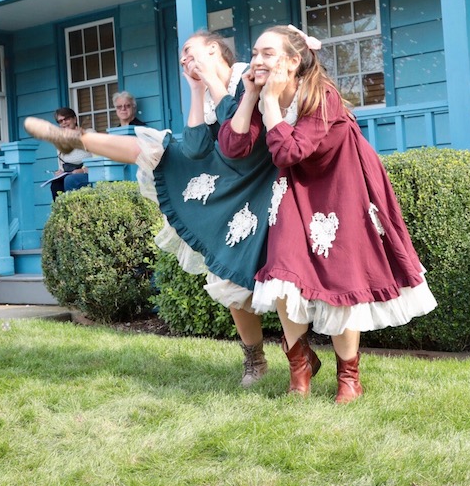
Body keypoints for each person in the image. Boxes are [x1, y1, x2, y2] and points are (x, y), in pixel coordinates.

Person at [25, 31, 283, 387]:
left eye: (189, 51)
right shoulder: (205, 92)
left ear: (213, 49)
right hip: (226, 178)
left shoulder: (246, 74)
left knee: (283, 280)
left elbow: (238, 131)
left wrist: (208, 77)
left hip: (261, 176)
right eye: (181, 58)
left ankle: (300, 357)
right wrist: (196, 90)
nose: (184, 61)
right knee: (161, 152)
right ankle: (78, 139)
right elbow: (194, 148)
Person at [218, 25, 437, 403]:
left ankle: (348, 376)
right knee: (282, 270)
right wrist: (252, 95)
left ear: (291, 61)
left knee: (342, 278)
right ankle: (299, 368)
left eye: (268, 53)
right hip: (295, 186)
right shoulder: (260, 91)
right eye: (255, 53)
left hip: (342, 184)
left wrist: (269, 104)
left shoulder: (322, 95)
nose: (256, 60)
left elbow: (289, 151)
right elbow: (234, 146)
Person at [48, 107, 93, 200]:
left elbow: (97, 157)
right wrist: (59, 172)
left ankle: (74, 212)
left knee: (70, 180)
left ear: (75, 119)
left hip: (90, 174)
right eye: (60, 121)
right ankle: (62, 213)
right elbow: (61, 165)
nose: (64, 122)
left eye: (67, 119)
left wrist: (83, 170)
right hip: (70, 174)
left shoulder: (88, 134)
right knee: (56, 185)